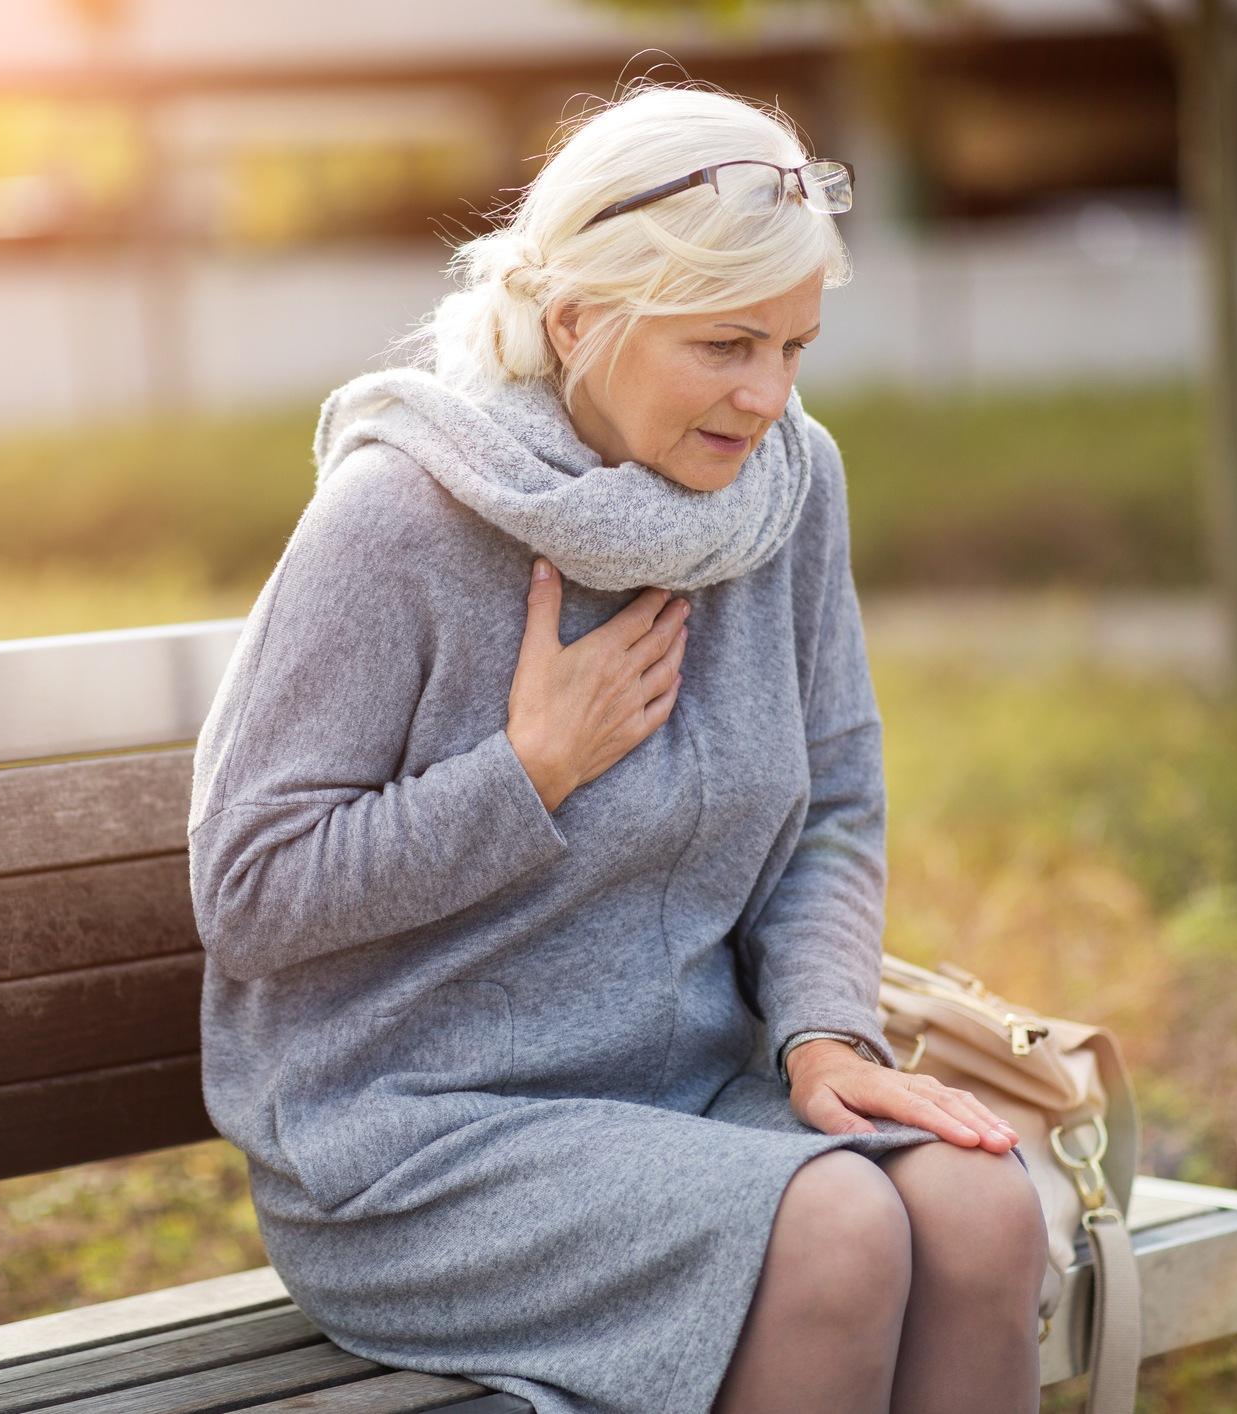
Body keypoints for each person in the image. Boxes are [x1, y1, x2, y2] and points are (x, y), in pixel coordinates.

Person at [187, 79, 1049, 1414]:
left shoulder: (784, 489)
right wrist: (525, 772)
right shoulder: (398, 518)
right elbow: (248, 890)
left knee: (985, 1212)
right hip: (422, 1138)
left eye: (793, 347)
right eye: (723, 346)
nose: (766, 397)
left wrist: (824, 1033)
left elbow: (832, 799)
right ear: (579, 317)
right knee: (837, 1230)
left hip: (692, 1094)